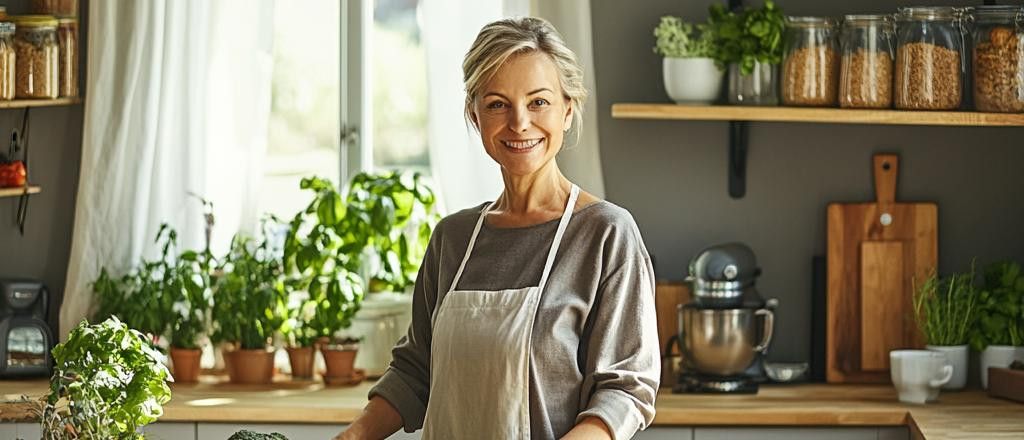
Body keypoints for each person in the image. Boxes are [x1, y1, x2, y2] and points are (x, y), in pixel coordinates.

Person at [336, 17, 659, 440]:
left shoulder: (605, 234)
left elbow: (624, 390)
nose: (519, 122)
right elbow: (415, 370)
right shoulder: (452, 239)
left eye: (539, 102)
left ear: (568, 109)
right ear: (475, 116)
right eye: (497, 104)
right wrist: (353, 436)